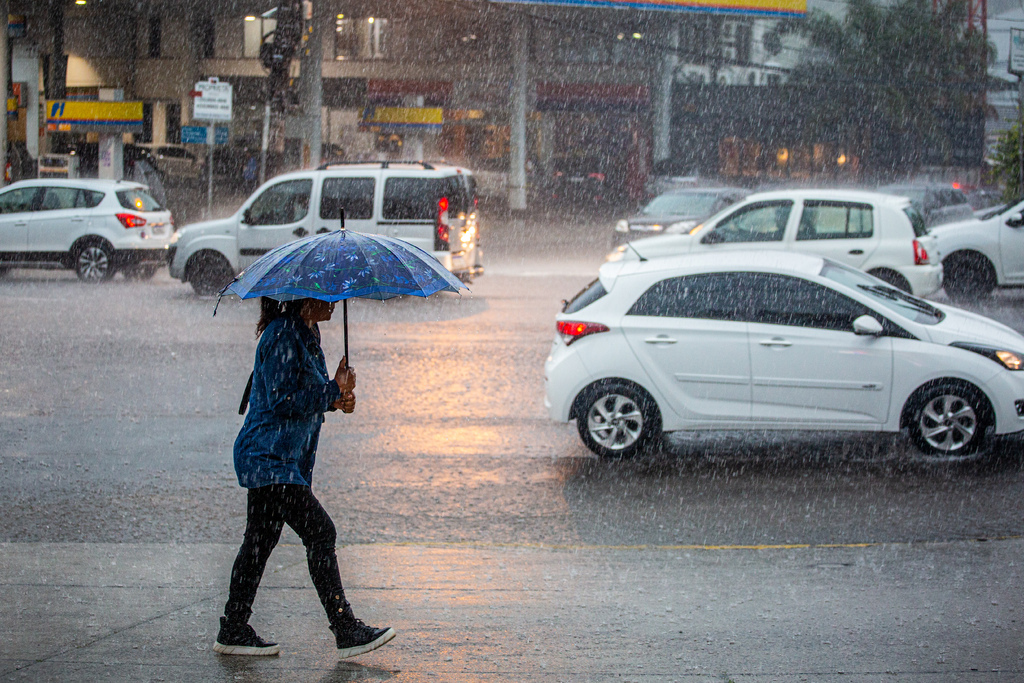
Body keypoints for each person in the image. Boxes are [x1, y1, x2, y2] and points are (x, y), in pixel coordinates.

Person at [213, 296, 396, 658]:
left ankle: (233, 626)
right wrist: (331, 391)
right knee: (320, 531)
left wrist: (337, 398)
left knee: (259, 542)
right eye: (327, 295)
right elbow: (282, 400)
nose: (335, 301)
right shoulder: (283, 334)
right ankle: (344, 628)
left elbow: (304, 396)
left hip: (282, 459)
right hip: (268, 457)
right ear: (303, 298)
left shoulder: (308, 334)